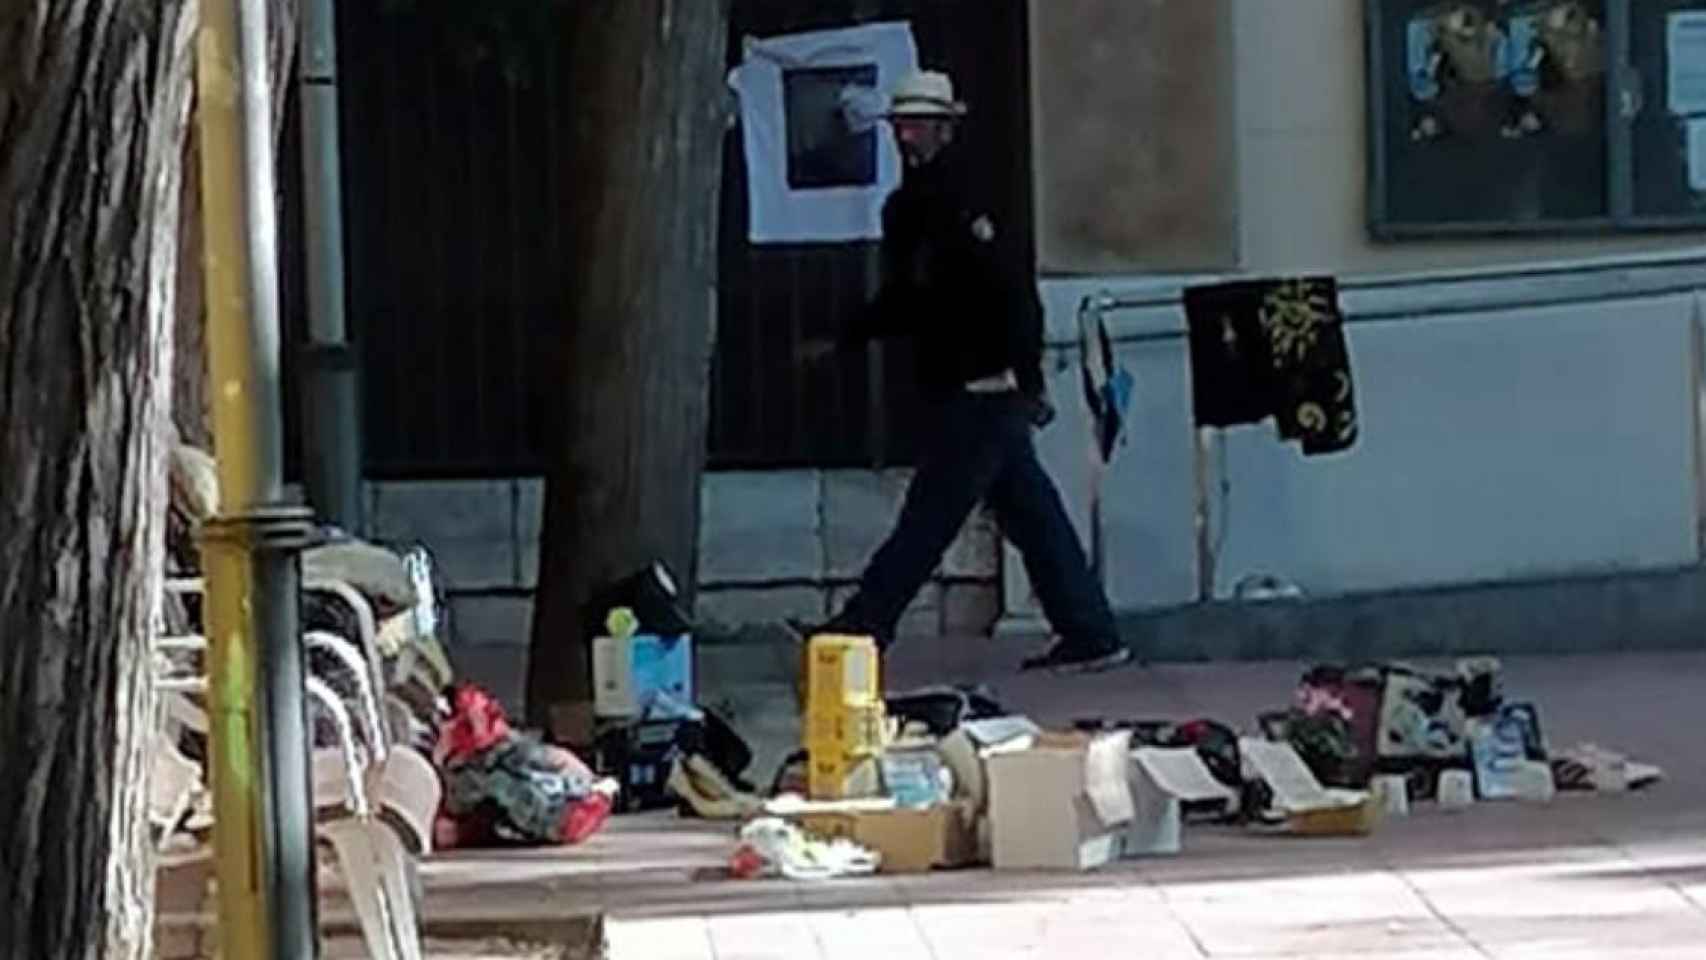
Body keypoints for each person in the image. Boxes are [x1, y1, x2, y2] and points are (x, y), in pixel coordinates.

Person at [801, 68, 1130, 673]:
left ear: (946, 129)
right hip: (960, 381)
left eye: (919, 124)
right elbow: (906, 297)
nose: (907, 136)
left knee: (929, 519)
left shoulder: (969, 199)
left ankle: (864, 626)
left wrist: (1027, 376)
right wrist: (847, 338)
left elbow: (1011, 291)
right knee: (1032, 516)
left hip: (982, 383)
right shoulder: (908, 208)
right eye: (901, 124)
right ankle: (1091, 632)